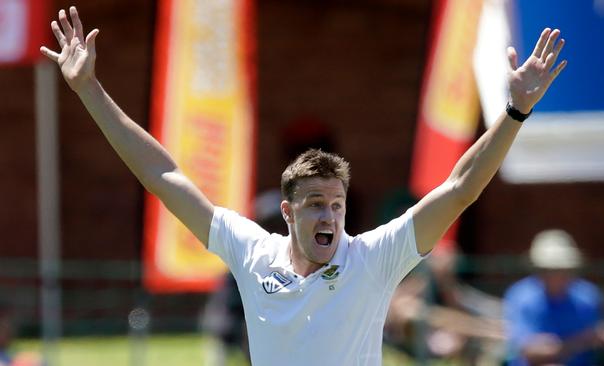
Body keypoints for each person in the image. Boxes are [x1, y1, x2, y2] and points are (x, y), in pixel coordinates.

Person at [40, 6, 567, 365]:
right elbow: (163, 174)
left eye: (336, 204)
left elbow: (459, 188)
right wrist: (89, 89)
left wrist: (515, 112)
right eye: (316, 204)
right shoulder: (252, 252)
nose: (329, 216)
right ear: (289, 213)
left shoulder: (373, 258)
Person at [503, 229, 604, 366]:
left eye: (561, 269)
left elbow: (598, 331)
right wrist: (583, 341)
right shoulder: (522, 296)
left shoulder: (587, 295)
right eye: (549, 270)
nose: (556, 276)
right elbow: (529, 350)